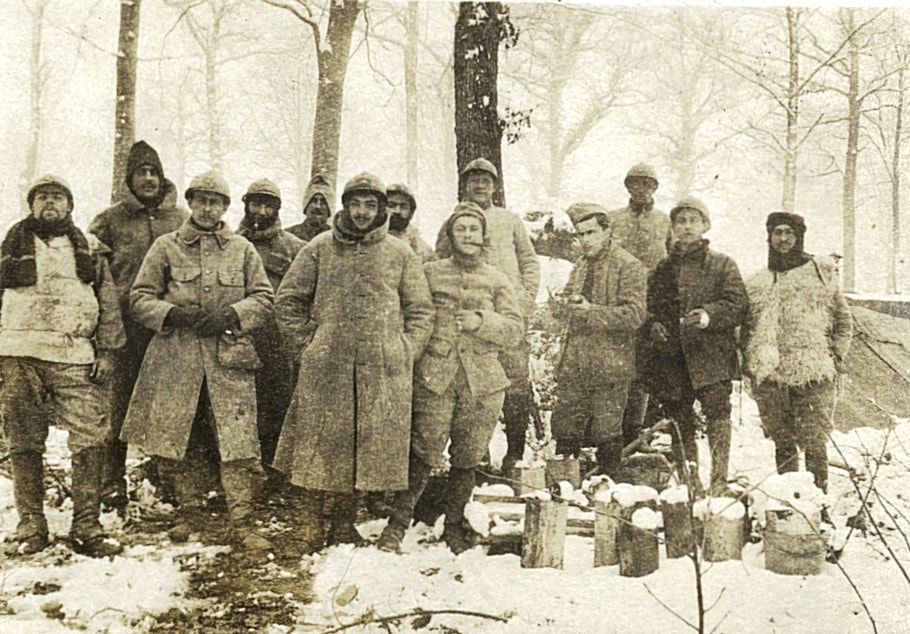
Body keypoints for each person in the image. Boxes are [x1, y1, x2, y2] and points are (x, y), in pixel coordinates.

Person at [272, 172, 433, 552]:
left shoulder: (398, 252)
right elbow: (288, 300)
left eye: (371, 205)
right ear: (344, 206)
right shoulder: (320, 247)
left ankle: (343, 523)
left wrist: (404, 348)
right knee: (318, 444)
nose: (362, 212)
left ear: (381, 210)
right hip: (327, 365)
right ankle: (310, 525)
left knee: (360, 445)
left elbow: (421, 310)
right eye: (356, 204)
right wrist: (307, 344)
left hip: (381, 368)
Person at [121, 171, 274, 551]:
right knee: (179, 436)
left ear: (225, 207)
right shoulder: (166, 246)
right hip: (177, 358)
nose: (208, 208)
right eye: (201, 200)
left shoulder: (241, 250)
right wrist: (172, 314)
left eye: (216, 201)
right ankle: (190, 513)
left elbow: (264, 298)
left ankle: (242, 520)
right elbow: (139, 297)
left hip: (229, 360)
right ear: (190, 202)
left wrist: (234, 314)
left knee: (238, 440)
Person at [377, 202, 523, 554]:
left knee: (468, 458)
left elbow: (515, 330)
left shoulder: (498, 279)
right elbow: (409, 312)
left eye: (475, 229)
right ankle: (397, 525)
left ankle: (454, 525)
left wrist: (482, 322)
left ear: (484, 235)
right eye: (462, 229)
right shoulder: (430, 272)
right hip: (436, 377)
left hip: (483, 383)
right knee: (424, 452)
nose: (469, 236)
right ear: (451, 234)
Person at [0, 174, 125, 557]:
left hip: (74, 355)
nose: (50, 204)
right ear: (32, 204)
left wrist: (107, 351)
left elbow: (107, 303)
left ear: (69, 205)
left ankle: (86, 525)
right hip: (19, 353)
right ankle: (31, 525)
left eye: (57, 197)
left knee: (90, 436)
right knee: (24, 440)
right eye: (42, 198)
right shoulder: (10, 247)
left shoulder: (89, 249)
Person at [89, 140, 188, 512]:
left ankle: (166, 479)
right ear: (129, 179)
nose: (148, 179)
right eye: (140, 173)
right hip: (126, 327)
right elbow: (94, 273)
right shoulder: (109, 220)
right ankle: (110, 481)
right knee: (118, 404)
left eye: (153, 172)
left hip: (168, 326)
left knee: (168, 404)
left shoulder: (179, 218)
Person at [436, 158, 540, 473]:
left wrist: (523, 299)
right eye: (474, 180)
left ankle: (514, 454)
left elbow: (530, 261)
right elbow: (440, 260)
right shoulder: (456, 220)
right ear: (465, 185)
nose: (480, 186)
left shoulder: (509, 220)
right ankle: (474, 456)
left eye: (486, 180)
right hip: (470, 322)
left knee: (515, 386)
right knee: (473, 387)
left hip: (507, 318)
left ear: (495, 186)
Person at [743, 212, 852, 494]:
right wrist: (751, 364)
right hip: (772, 376)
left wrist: (835, 356)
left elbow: (843, 321)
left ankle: (818, 505)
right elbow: (746, 328)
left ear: (799, 236)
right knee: (783, 443)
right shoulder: (757, 283)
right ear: (769, 237)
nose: (783, 239)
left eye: (788, 233)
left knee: (815, 442)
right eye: (777, 233)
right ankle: (789, 502)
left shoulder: (820, 274)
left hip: (813, 373)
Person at [645, 196, 747, 495]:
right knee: (680, 421)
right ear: (673, 227)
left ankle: (719, 482)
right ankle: (691, 483)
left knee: (718, 416)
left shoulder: (722, 264)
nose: (687, 227)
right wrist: (654, 324)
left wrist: (707, 315)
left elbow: (738, 304)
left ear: (705, 225)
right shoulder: (663, 268)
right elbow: (648, 306)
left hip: (711, 357)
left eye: (693, 220)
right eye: (681, 221)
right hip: (673, 358)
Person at [549, 203, 646, 480]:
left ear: (607, 231)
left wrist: (592, 311)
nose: (585, 240)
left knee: (607, 433)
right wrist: (560, 305)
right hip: (575, 362)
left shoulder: (628, 266)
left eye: (591, 233)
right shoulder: (581, 265)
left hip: (610, 364)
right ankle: (565, 494)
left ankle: (609, 495)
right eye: (581, 234)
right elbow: (570, 298)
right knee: (565, 429)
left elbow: (635, 314)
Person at [236, 178, 305, 469]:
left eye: (268, 205)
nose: (261, 211)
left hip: (278, 339)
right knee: (242, 404)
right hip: (241, 336)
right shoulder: (232, 245)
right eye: (256, 204)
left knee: (279, 402)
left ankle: (277, 469)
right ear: (246, 206)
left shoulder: (295, 248)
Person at [608, 163, 672, 448]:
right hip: (620, 304)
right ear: (627, 187)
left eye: (648, 184)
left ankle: (642, 432)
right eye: (636, 183)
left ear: (655, 188)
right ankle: (614, 434)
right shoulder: (613, 220)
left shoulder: (665, 221)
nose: (642, 189)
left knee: (647, 372)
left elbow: (672, 264)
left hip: (653, 305)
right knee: (619, 370)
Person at [387, 182, 436, 263]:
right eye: (391, 205)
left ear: (411, 213)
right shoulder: (369, 238)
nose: (397, 211)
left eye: (403, 207)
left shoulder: (419, 247)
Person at [286, 173, 334, 242]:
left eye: (323, 202)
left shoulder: (338, 239)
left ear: (329, 208)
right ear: (306, 205)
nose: (318, 206)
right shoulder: (288, 236)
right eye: (314, 201)